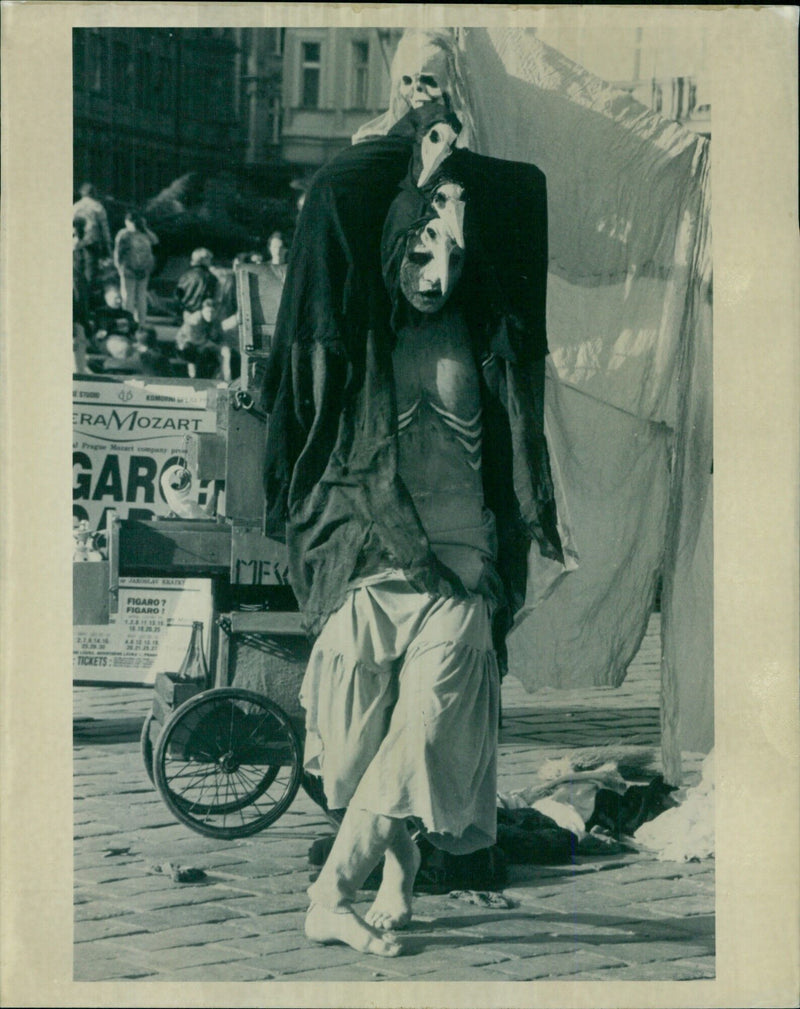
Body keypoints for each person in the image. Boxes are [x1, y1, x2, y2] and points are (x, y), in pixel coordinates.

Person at [261, 100, 565, 957]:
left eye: (455, 254)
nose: (438, 271)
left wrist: (509, 551)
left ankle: (331, 897)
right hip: (374, 564)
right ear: (398, 242)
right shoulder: (360, 337)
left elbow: (512, 459)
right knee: (359, 754)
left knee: (426, 732)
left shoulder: (485, 335)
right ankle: (398, 872)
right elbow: (347, 207)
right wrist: (415, 156)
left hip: (461, 578)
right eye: (424, 249)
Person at [113, 211, 158, 325]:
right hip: (144, 270)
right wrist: (145, 227)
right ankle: (141, 323)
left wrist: (118, 267)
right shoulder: (146, 234)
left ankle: (128, 323)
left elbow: (118, 252)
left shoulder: (124, 234)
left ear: (128, 221)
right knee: (141, 297)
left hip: (128, 269)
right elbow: (156, 241)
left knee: (128, 297)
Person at [72, 182, 112, 290]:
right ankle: (89, 295)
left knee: (77, 270)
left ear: (82, 194)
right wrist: (108, 246)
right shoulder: (98, 207)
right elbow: (104, 228)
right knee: (91, 270)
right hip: (92, 242)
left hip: (76, 242)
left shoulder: (75, 206)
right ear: (94, 193)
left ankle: (79, 296)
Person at [174, 248, 218, 319]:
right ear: (204, 260)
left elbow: (177, 295)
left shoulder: (186, 275)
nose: (211, 261)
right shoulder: (210, 277)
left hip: (185, 312)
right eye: (209, 259)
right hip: (200, 314)